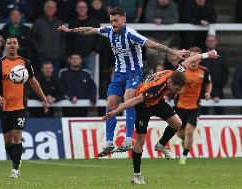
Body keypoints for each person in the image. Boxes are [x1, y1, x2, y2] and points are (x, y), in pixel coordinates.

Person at [58, 7, 189, 156]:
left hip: (134, 73)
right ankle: (108, 142)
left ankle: (128, 139)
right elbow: (90, 30)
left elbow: (152, 44)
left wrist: (174, 52)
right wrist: (70, 31)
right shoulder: (108, 31)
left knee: (128, 98)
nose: (113, 23)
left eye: (116, 20)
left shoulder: (131, 34)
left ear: (124, 19)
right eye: (111, 20)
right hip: (119, 74)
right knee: (111, 104)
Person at [102, 50, 219, 185]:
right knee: (140, 142)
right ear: (170, 83)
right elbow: (134, 101)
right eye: (176, 89)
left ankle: (161, 145)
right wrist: (116, 111)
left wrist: (207, 55)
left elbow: (187, 61)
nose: (176, 92)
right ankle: (137, 175)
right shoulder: (154, 89)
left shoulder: (177, 74)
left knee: (177, 123)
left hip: (157, 101)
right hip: (143, 106)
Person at [0, 35, 49, 178]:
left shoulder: (25, 63)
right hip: (5, 106)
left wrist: (44, 99)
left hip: (20, 105)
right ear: (5, 46)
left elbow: (33, 82)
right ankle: (17, 160)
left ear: (18, 45)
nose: (11, 45)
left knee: (17, 137)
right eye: (9, 43)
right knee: (8, 141)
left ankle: (15, 169)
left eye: (14, 43)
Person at [174, 47, 212, 165]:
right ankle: (185, 140)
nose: (194, 60)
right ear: (188, 58)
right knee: (180, 134)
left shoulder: (204, 71)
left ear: (200, 59)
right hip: (179, 106)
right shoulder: (181, 70)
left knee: (189, 130)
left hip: (194, 107)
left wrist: (207, 93)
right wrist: (177, 90)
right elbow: (172, 83)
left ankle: (184, 157)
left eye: (197, 57)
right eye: (192, 57)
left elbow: (209, 83)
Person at [31, 0, 66, 74]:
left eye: (53, 7)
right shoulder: (38, 22)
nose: (51, 9)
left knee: (56, 78)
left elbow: (63, 38)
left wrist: (61, 50)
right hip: (43, 56)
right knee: (43, 78)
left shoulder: (60, 22)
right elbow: (32, 37)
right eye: (48, 7)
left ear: (56, 9)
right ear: (44, 9)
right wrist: (39, 49)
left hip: (57, 56)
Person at [201, 35, 229, 115]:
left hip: (219, 90)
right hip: (203, 91)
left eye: (212, 40)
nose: (210, 42)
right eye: (208, 40)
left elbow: (225, 74)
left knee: (220, 114)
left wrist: (216, 91)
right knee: (202, 114)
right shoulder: (202, 56)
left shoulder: (221, 56)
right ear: (205, 42)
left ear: (216, 42)